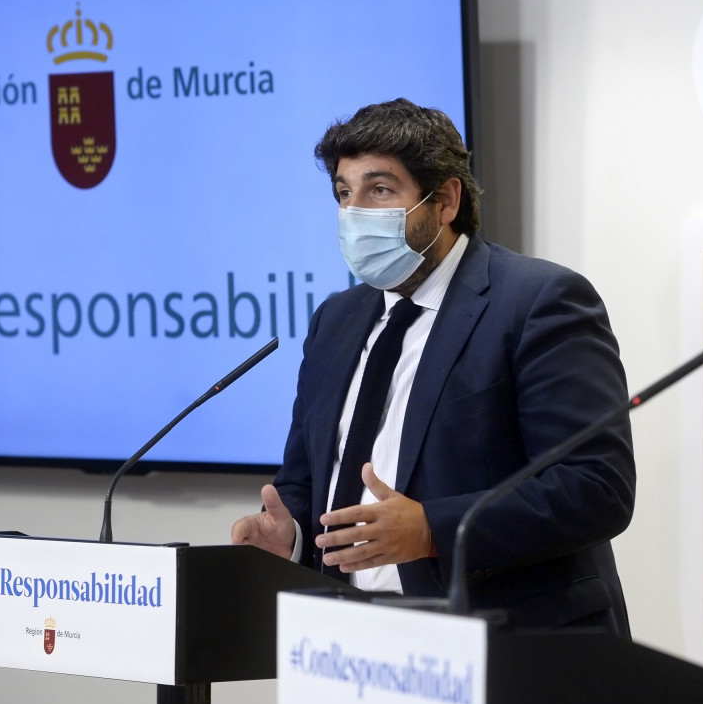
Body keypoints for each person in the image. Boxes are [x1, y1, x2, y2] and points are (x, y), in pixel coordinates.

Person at [230, 98, 636, 634]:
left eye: (379, 190)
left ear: (444, 200)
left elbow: (595, 487)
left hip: (509, 645)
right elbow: (306, 482)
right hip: (350, 642)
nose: (355, 214)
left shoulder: (538, 301)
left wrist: (432, 529)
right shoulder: (336, 321)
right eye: (344, 194)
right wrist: (292, 535)